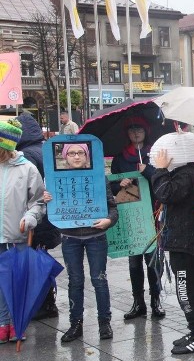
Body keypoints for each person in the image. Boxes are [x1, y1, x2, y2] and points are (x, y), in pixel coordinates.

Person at [44, 143, 118, 342]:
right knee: (75, 281)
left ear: (87, 157)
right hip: (71, 237)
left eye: (80, 153)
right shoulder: (54, 180)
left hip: (96, 236)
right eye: (72, 153)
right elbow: (47, 211)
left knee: (99, 279)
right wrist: (45, 200)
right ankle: (75, 323)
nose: (76, 157)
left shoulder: (99, 178)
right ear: (66, 157)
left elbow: (113, 207)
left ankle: (105, 322)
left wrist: (109, 220)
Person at [151, 137, 194, 354]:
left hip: (185, 241)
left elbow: (165, 193)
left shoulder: (187, 175)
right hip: (185, 239)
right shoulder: (192, 172)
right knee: (191, 287)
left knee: (186, 289)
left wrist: (160, 170)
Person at [110, 117, 162, 319]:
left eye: (139, 128)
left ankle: (156, 302)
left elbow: (162, 180)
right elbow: (111, 186)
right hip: (130, 214)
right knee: (134, 262)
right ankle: (138, 303)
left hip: (152, 212)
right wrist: (119, 184)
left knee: (153, 261)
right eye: (131, 129)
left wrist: (147, 170)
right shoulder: (120, 158)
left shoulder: (155, 154)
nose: (135, 132)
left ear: (146, 130)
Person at [0, 120, 45, 343]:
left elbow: (38, 201)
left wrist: (30, 217)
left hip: (15, 235)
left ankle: (17, 323)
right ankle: (2, 323)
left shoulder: (26, 168)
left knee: (15, 282)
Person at [17, 112, 61, 320]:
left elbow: (26, 190)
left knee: (35, 261)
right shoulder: (45, 150)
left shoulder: (25, 155)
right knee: (40, 257)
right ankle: (47, 301)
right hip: (50, 215)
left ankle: (45, 303)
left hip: (36, 216)